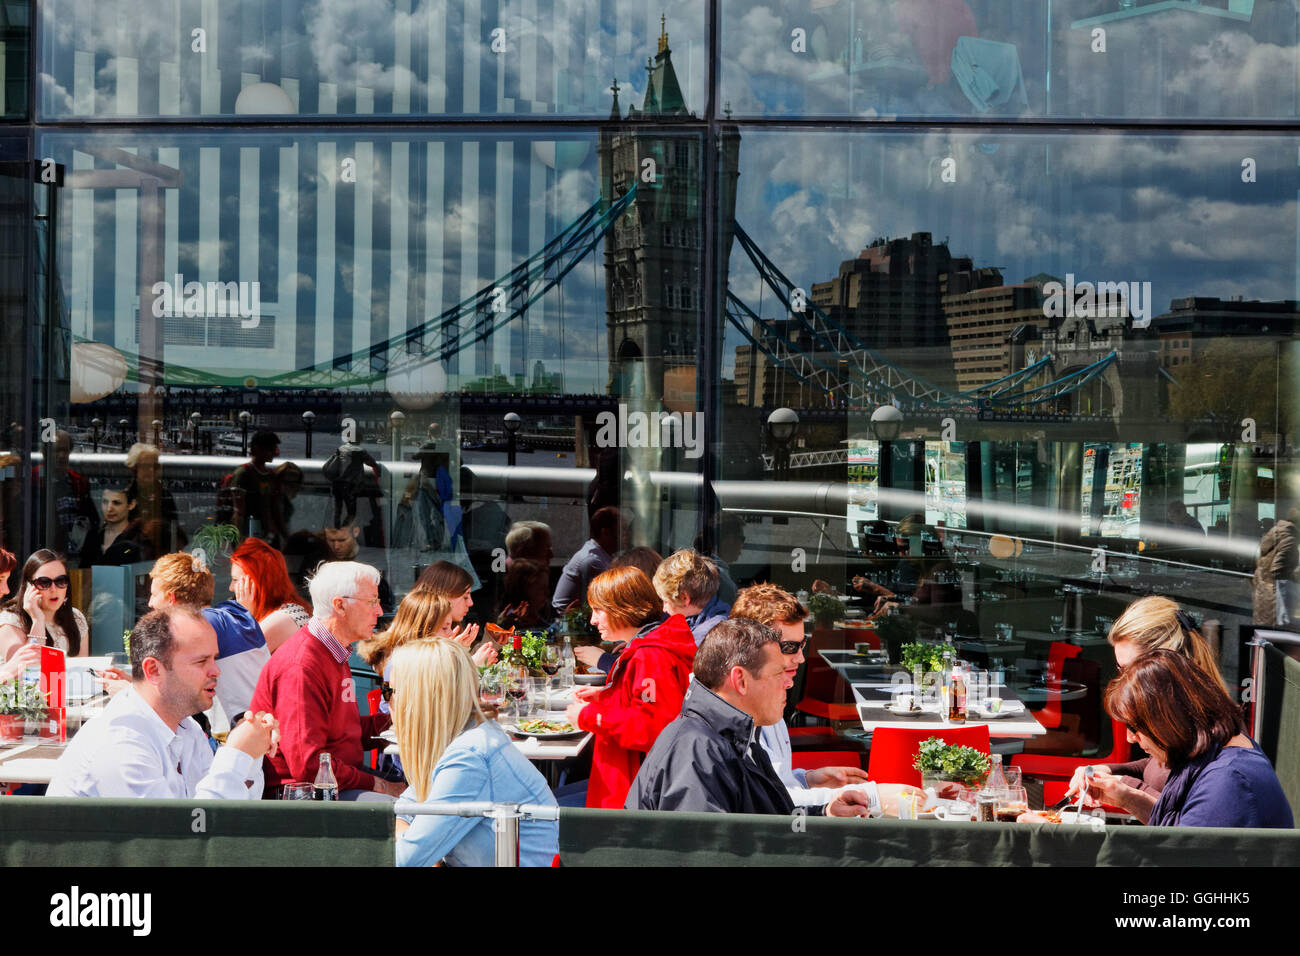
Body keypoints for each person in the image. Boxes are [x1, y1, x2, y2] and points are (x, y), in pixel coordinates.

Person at [626, 618, 872, 817]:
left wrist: (825, 813)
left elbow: (764, 819)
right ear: (740, 681)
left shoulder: (733, 733)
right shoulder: (697, 752)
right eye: (778, 673)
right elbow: (707, 854)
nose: (788, 682)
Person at [47, 607, 277, 799]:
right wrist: (236, 755)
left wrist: (251, 752)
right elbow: (184, 839)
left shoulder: (185, 727)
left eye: (214, 659)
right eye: (201, 661)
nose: (216, 671)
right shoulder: (121, 744)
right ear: (154, 670)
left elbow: (225, 814)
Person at [393, 640, 558, 866]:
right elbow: (404, 810)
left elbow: (406, 859)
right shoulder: (471, 734)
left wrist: (417, 843)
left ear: (419, 698)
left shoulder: (469, 756)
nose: (389, 702)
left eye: (389, 692)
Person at [248, 561, 403, 800]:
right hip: (303, 796)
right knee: (408, 809)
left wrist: (403, 720)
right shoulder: (302, 665)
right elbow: (309, 767)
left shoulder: (330, 651)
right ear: (339, 605)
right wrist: (378, 784)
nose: (380, 611)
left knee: (420, 795)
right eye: (372, 601)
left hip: (334, 783)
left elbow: (342, 733)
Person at [1065, 595, 1227, 823]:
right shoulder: (1190, 722)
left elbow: (1189, 834)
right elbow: (1157, 770)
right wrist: (1108, 771)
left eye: (1132, 672)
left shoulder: (1217, 750)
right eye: (1121, 670)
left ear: (1164, 666)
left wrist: (1127, 792)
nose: (1125, 683)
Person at [1104, 650, 1291, 828]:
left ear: (1167, 720)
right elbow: (1183, 827)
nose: (1130, 738)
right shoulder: (1221, 748)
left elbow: (1183, 851)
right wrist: (1127, 797)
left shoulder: (1227, 780)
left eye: (1133, 727)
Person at [562, 565, 697, 809]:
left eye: (597, 611)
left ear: (621, 609)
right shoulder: (653, 645)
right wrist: (609, 696)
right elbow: (648, 704)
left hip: (632, 791)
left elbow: (652, 727)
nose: (592, 620)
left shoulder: (651, 655)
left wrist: (588, 716)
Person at [729, 583, 869, 806]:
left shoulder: (771, 697)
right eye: (790, 647)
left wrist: (807, 779)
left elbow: (775, 783)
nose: (801, 658)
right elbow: (774, 800)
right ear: (752, 646)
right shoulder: (738, 708)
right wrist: (873, 797)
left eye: (802, 645)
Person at [148, 552, 268, 721]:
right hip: (260, 726)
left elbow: (168, 690)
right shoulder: (233, 615)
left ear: (171, 598)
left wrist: (126, 688)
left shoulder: (201, 626)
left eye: (154, 594)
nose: (150, 603)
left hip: (243, 734)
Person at [0, 549, 88, 660]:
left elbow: (83, 669)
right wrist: (38, 620)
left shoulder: (76, 617)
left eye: (61, 581)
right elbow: (26, 670)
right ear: (28, 586)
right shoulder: (10, 620)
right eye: (44, 582)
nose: (53, 589)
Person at [229, 537, 312, 654]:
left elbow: (239, 658)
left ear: (256, 584)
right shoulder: (280, 610)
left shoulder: (284, 617)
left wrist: (245, 614)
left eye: (235, 580)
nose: (231, 587)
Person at [551, 506, 625, 615]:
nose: (626, 535)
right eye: (622, 531)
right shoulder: (593, 561)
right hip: (571, 623)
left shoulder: (601, 554)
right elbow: (611, 600)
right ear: (605, 533)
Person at [653, 549, 730, 645]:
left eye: (666, 601)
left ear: (684, 597)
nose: (664, 609)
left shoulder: (700, 642)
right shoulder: (717, 616)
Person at [225, 430, 288, 546]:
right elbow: (238, 510)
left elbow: (275, 508)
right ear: (257, 448)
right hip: (249, 535)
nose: (274, 453)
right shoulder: (243, 474)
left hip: (269, 535)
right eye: (270, 449)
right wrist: (239, 541)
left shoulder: (271, 476)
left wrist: (285, 535)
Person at [125, 442, 186, 554]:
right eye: (145, 466)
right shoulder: (125, 496)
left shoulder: (164, 495)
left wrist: (160, 526)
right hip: (130, 553)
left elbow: (175, 530)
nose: (151, 471)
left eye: (155, 466)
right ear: (134, 469)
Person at [78, 482, 154, 567]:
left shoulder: (139, 539)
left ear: (131, 505)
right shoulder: (93, 536)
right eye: (105, 502)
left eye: (116, 503)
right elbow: (83, 568)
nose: (109, 508)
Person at [322, 525, 395, 614]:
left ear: (356, 532)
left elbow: (386, 605)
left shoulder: (375, 561)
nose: (336, 546)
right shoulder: (319, 560)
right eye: (331, 540)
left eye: (342, 540)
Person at [1254, 506, 1299, 628]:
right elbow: (1279, 573)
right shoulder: (1290, 540)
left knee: (1264, 637)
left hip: (1264, 596)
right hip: (1277, 602)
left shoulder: (1275, 532)